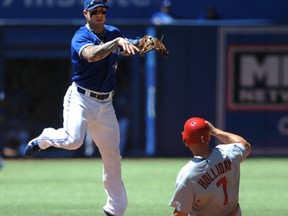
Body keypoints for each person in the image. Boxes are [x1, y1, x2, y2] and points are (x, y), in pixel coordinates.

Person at [23, 0, 141, 215]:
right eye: (95, 11)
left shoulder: (113, 32)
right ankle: (45, 138)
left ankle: (115, 209)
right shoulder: (81, 36)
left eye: (103, 11)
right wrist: (116, 42)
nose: (100, 14)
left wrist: (140, 43)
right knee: (73, 141)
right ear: (86, 13)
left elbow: (125, 47)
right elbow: (92, 55)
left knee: (112, 156)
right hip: (81, 99)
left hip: (106, 103)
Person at [169, 117, 251, 216]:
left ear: (185, 140)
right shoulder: (228, 153)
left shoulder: (188, 175)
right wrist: (215, 131)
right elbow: (245, 145)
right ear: (209, 137)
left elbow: (180, 214)